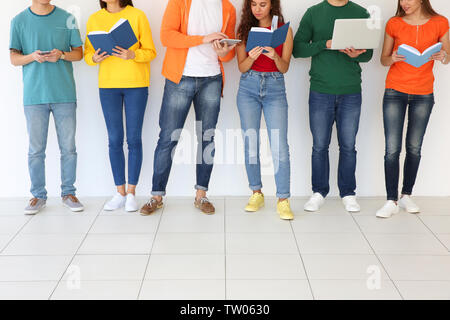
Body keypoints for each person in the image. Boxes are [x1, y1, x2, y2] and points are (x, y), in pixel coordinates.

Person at [140, 0, 236, 216]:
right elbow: (167, 36)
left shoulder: (227, 8)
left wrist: (223, 52)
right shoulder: (179, 2)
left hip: (212, 78)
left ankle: (201, 196)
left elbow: (228, 54)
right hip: (179, 78)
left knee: (207, 138)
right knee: (168, 138)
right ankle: (156, 196)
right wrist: (203, 38)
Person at [293, 0, 373, 213]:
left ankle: (348, 193)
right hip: (321, 90)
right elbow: (297, 50)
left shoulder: (361, 13)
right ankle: (319, 192)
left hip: (351, 90)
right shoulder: (313, 13)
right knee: (319, 146)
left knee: (348, 146)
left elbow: (369, 53)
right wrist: (324, 44)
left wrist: (358, 54)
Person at [10, 0, 84, 215]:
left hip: (64, 94)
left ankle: (68, 193)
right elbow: (13, 58)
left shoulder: (67, 18)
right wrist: (31, 57)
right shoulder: (19, 21)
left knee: (68, 149)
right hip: (34, 96)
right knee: (35, 151)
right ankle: (37, 196)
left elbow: (78, 53)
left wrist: (61, 55)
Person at [376, 0, 449, 218]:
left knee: (414, 147)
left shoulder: (440, 22)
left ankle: (407, 194)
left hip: (423, 93)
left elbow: (448, 56)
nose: (404, 3)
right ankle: (391, 200)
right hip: (394, 91)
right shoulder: (394, 23)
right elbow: (383, 59)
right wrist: (393, 58)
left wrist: (443, 56)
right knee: (392, 149)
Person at [84, 0, 157, 212]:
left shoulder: (137, 15)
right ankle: (120, 192)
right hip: (108, 86)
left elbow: (151, 51)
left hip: (136, 84)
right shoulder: (95, 19)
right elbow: (88, 54)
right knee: (114, 139)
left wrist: (132, 54)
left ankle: (132, 193)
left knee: (134, 139)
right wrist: (94, 58)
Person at [235, 0, 294, 220]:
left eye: (263, 4)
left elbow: (285, 67)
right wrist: (251, 57)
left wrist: (274, 56)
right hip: (248, 87)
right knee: (251, 142)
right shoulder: (244, 31)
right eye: (254, 5)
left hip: (275, 87)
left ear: (272, 5)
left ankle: (283, 199)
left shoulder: (283, 30)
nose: (258, 9)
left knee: (279, 145)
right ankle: (256, 193)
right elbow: (241, 67)